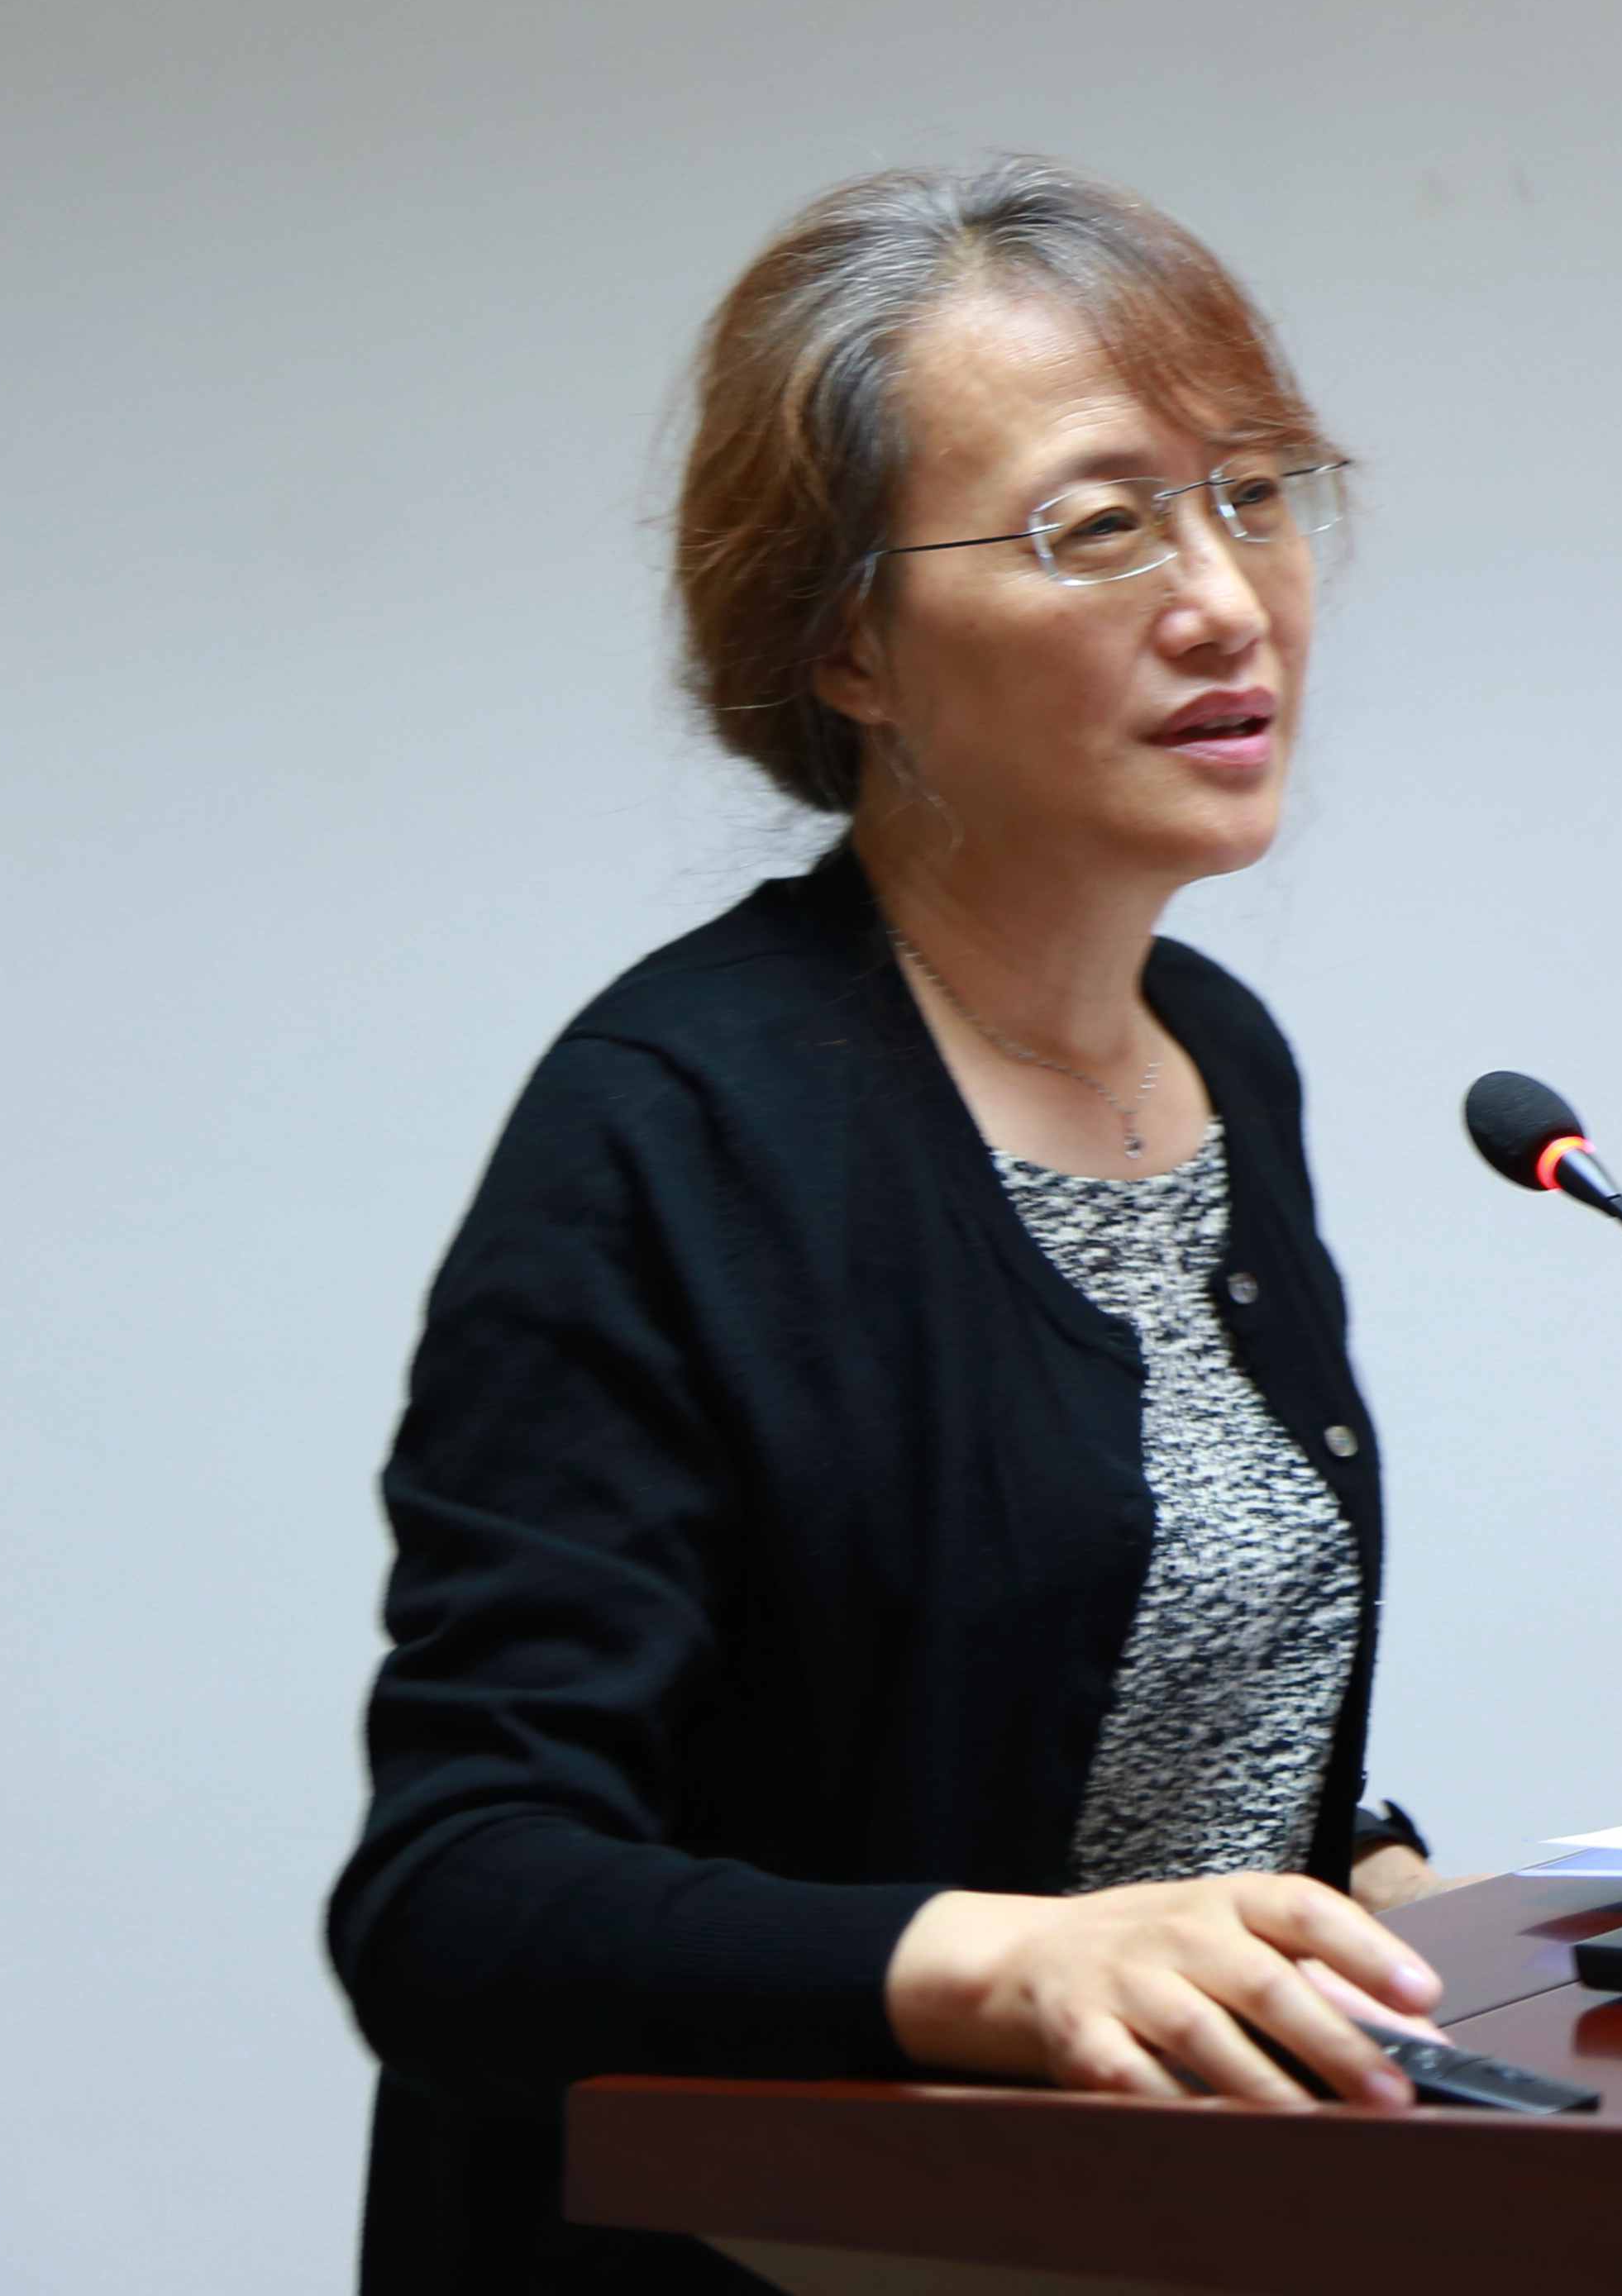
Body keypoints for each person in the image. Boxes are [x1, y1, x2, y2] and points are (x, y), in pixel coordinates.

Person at [329, 162, 1441, 2294]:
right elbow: (458, 1902)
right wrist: (1002, 1967)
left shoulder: (1218, 1061)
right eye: (1099, 526)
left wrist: (1369, 1877)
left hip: (1162, 2243)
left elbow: (1101, 1693)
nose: (1229, 599)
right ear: (849, 642)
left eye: (1258, 495)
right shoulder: (675, 1129)